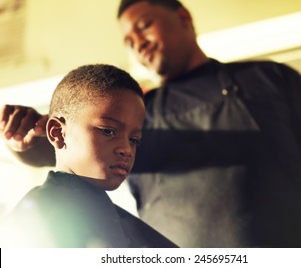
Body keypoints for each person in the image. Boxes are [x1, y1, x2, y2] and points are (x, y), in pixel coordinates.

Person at [1, 0, 301, 247]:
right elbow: (59, 158)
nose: (137, 43)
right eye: (128, 41)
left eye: (144, 26)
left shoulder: (268, 78)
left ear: (183, 19)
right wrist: (24, 139)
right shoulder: (138, 109)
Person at [0, 64, 177, 248]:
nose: (126, 149)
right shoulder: (38, 216)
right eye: (108, 131)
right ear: (58, 133)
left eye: (134, 139)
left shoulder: (104, 215)